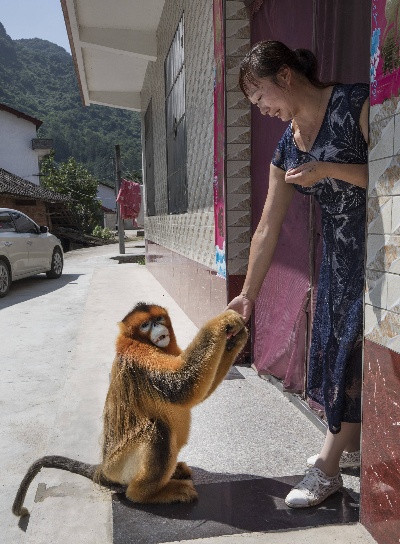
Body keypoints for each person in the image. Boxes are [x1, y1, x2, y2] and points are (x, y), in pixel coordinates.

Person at [227, 40, 369, 508]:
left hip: (381, 250)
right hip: (337, 258)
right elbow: (267, 225)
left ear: (285, 76)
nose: (262, 109)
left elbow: (389, 175)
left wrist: (326, 168)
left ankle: (327, 469)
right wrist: (247, 295)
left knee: (351, 349)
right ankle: (351, 445)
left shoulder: (356, 104)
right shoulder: (287, 146)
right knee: (333, 348)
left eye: (262, 97)